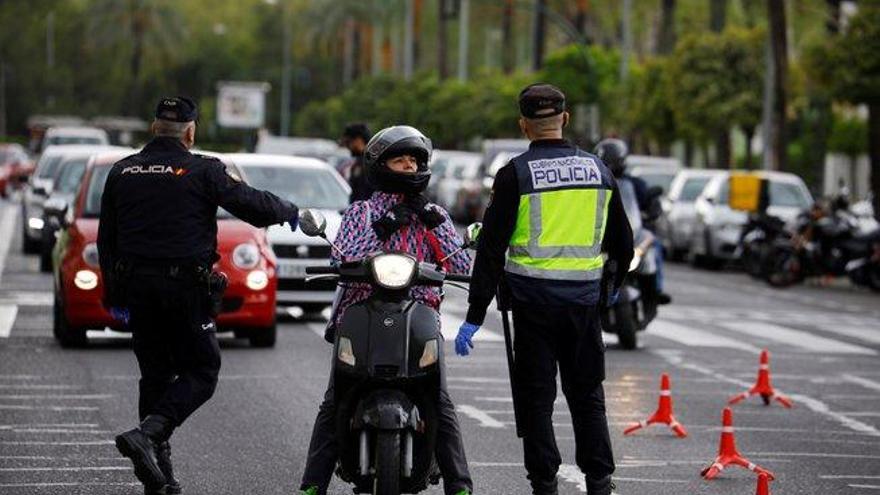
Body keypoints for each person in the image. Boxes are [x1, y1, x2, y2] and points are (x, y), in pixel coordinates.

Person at [98, 96, 300, 495]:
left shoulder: (122, 172)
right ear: (190, 132)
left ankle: (159, 476)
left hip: (137, 288)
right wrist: (289, 211)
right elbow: (252, 205)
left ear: (154, 128)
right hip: (184, 288)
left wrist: (115, 294)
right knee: (202, 371)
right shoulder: (203, 169)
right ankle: (150, 434)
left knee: (155, 375)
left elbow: (108, 240)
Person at [456, 84, 633, 495]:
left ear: (523, 125)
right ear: (565, 120)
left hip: (532, 308)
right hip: (583, 306)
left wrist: (474, 315)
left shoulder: (514, 174)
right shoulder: (599, 171)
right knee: (587, 396)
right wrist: (611, 285)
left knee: (536, 401)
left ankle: (544, 483)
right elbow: (622, 244)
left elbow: (491, 252)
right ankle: (599, 482)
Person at [299, 125, 473, 495]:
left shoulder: (434, 213)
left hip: (420, 315)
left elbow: (460, 266)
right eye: (400, 159)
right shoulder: (361, 213)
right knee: (337, 397)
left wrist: (431, 220)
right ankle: (312, 485)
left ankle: (460, 485)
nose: (409, 167)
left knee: (438, 398)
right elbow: (341, 256)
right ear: (380, 165)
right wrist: (385, 225)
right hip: (360, 312)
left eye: (414, 160)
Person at [594, 138, 672, 305]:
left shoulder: (634, 184)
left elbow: (649, 201)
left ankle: (656, 288)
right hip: (604, 233)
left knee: (654, 245)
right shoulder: (595, 184)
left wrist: (653, 210)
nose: (609, 167)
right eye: (606, 163)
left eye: (612, 162)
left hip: (632, 231)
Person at [339, 122, 374, 203]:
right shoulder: (360, 162)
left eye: (348, 142)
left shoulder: (370, 163)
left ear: (358, 140)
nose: (348, 146)